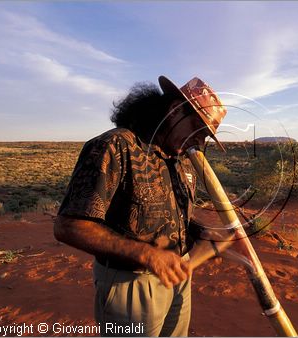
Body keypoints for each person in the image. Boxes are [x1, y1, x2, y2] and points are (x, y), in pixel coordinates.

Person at [54, 76, 227, 337]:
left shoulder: (180, 160)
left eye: (205, 137)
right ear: (175, 111)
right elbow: (69, 226)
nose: (199, 142)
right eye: (197, 130)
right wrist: (147, 255)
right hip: (130, 285)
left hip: (178, 278)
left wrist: (201, 232)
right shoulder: (115, 147)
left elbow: (164, 216)